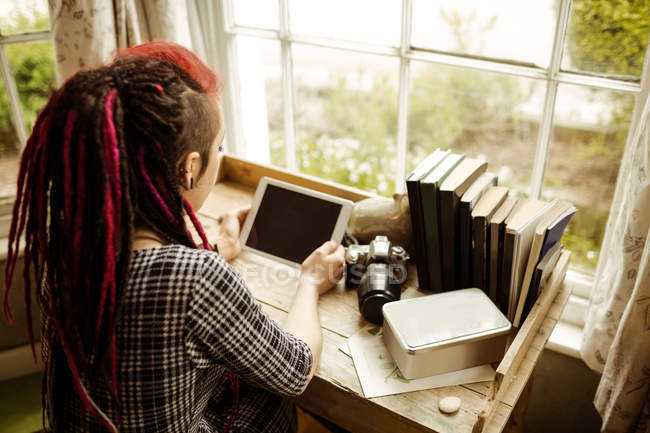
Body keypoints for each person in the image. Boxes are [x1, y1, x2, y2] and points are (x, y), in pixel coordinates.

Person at [2, 41, 345, 432]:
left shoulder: (68, 247)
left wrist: (216, 248)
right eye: (220, 146)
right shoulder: (195, 278)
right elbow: (296, 370)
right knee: (271, 396)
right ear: (189, 167)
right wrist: (310, 281)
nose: (221, 156)